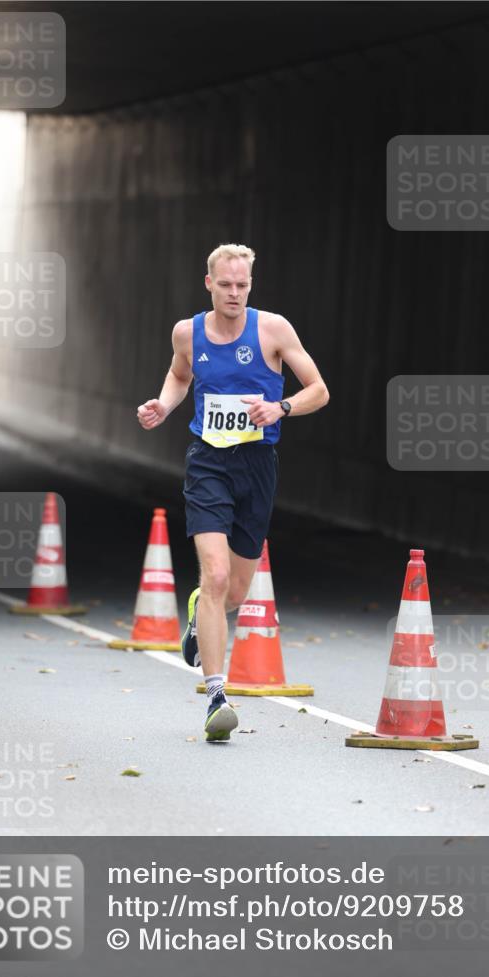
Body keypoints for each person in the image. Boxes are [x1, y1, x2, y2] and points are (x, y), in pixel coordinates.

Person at [137, 244, 329, 741]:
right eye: (225, 284)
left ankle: (200, 612)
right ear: (209, 284)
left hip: (257, 466)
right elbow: (179, 375)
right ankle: (217, 696)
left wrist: (281, 407)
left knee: (235, 592)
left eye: (242, 285)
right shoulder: (188, 333)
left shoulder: (273, 330)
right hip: (208, 462)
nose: (234, 293)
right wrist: (164, 405)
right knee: (217, 573)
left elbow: (319, 390)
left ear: (250, 285)